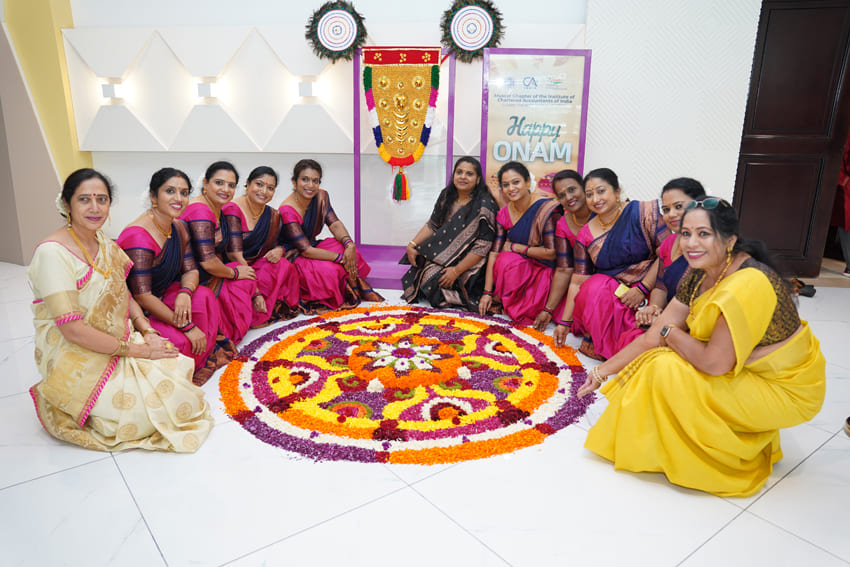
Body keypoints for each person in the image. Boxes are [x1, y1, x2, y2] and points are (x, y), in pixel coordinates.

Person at [576, 197, 826, 497]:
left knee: (665, 367)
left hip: (785, 391)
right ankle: (668, 446)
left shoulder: (747, 282)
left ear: (730, 240)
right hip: (747, 373)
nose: (691, 243)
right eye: (686, 233)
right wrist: (601, 372)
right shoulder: (701, 272)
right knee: (658, 357)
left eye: (703, 234)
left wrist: (671, 333)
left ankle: (711, 460)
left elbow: (712, 363)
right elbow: (652, 336)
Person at [28, 168, 213, 452]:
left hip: (119, 337)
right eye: (84, 199)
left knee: (177, 376)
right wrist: (138, 351)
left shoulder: (104, 243)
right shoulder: (52, 253)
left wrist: (147, 331)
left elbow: (123, 292)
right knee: (150, 413)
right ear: (67, 204)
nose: (94, 208)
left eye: (101, 199)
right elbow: (72, 330)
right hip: (75, 354)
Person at [117, 167, 236, 386]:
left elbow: (190, 270)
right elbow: (142, 296)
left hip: (165, 294)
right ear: (153, 196)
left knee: (203, 296)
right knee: (178, 343)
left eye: (184, 193)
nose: (178, 198)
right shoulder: (138, 237)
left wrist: (185, 292)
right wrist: (187, 327)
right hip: (138, 310)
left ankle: (196, 357)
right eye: (170, 191)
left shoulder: (178, 226)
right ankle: (184, 369)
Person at [553, 168, 668, 359]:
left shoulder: (643, 212)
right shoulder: (585, 234)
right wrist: (564, 323)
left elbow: (667, 253)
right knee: (594, 286)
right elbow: (578, 281)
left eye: (601, 191)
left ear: (617, 191)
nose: (595, 199)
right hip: (614, 298)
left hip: (651, 290)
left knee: (648, 347)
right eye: (589, 194)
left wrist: (642, 288)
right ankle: (604, 341)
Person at [279, 159, 383, 312]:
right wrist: (341, 259)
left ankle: (348, 286)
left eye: (315, 181)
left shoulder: (321, 196)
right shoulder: (287, 210)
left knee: (349, 251)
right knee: (331, 270)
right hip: (295, 255)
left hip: (313, 245)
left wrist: (349, 245)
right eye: (305, 179)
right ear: (294, 182)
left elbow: (334, 224)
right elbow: (306, 250)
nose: (310, 185)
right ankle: (337, 291)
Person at [478, 161, 571, 330]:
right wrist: (487, 293)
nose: (511, 188)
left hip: (545, 272)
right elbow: (495, 253)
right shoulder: (504, 213)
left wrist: (516, 247)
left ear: (528, 182)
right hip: (521, 272)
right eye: (506, 185)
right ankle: (511, 302)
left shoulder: (545, 209)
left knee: (510, 256)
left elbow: (552, 253)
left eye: (516, 182)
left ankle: (531, 306)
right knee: (504, 260)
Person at [401, 157, 498, 310]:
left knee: (436, 282)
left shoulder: (485, 205)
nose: (463, 177)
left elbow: (482, 247)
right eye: (459, 172)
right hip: (445, 254)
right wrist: (412, 244)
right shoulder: (447, 195)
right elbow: (433, 225)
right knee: (425, 274)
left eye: (469, 174)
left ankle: (460, 292)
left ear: (478, 179)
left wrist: (456, 271)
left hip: (472, 261)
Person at [180, 161, 256, 344]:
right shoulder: (200, 211)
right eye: (219, 183)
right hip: (191, 277)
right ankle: (225, 328)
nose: (226, 189)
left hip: (207, 272)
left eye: (231, 185)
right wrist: (234, 273)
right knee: (241, 278)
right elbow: (207, 262)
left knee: (246, 274)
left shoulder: (216, 209)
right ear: (205, 183)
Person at [222, 166, 300, 327]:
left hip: (256, 266)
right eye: (259, 184)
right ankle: (251, 313)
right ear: (248, 184)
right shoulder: (232, 209)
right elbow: (234, 255)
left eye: (270, 188)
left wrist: (280, 250)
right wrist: (256, 292)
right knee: (244, 284)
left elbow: (286, 241)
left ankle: (268, 308)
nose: (264, 191)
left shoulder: (272, 215)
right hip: (234, 269)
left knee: (282, 264)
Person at [635, 177, 706, 329]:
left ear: (699, 205)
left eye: (678, 206)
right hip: (668, 317)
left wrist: (664, 322)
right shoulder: (668, 243)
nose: (671, 214)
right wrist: (654, 308)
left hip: (696, 325)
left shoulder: (707, 247)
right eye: (666, 210)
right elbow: (661, 287)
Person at [552, 169, 591, 248]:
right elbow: (563, 255)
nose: (568, 198)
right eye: (562, 195)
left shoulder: (601, 213)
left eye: (572, 190)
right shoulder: (562, 225)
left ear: (584, 187)